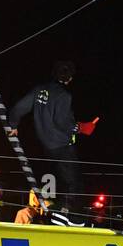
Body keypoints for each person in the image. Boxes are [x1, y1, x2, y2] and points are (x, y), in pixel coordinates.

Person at [7, 60, 99, 212]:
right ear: (70, 78)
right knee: (74, 182)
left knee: (60, 179)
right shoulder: (64, 95)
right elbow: (63, 122)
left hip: (46, 147)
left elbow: (18, 108)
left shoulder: (40, 90)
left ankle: (57, 209)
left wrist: (13, 125)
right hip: (61, 146)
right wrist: (83, 127)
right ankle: (68, 215)